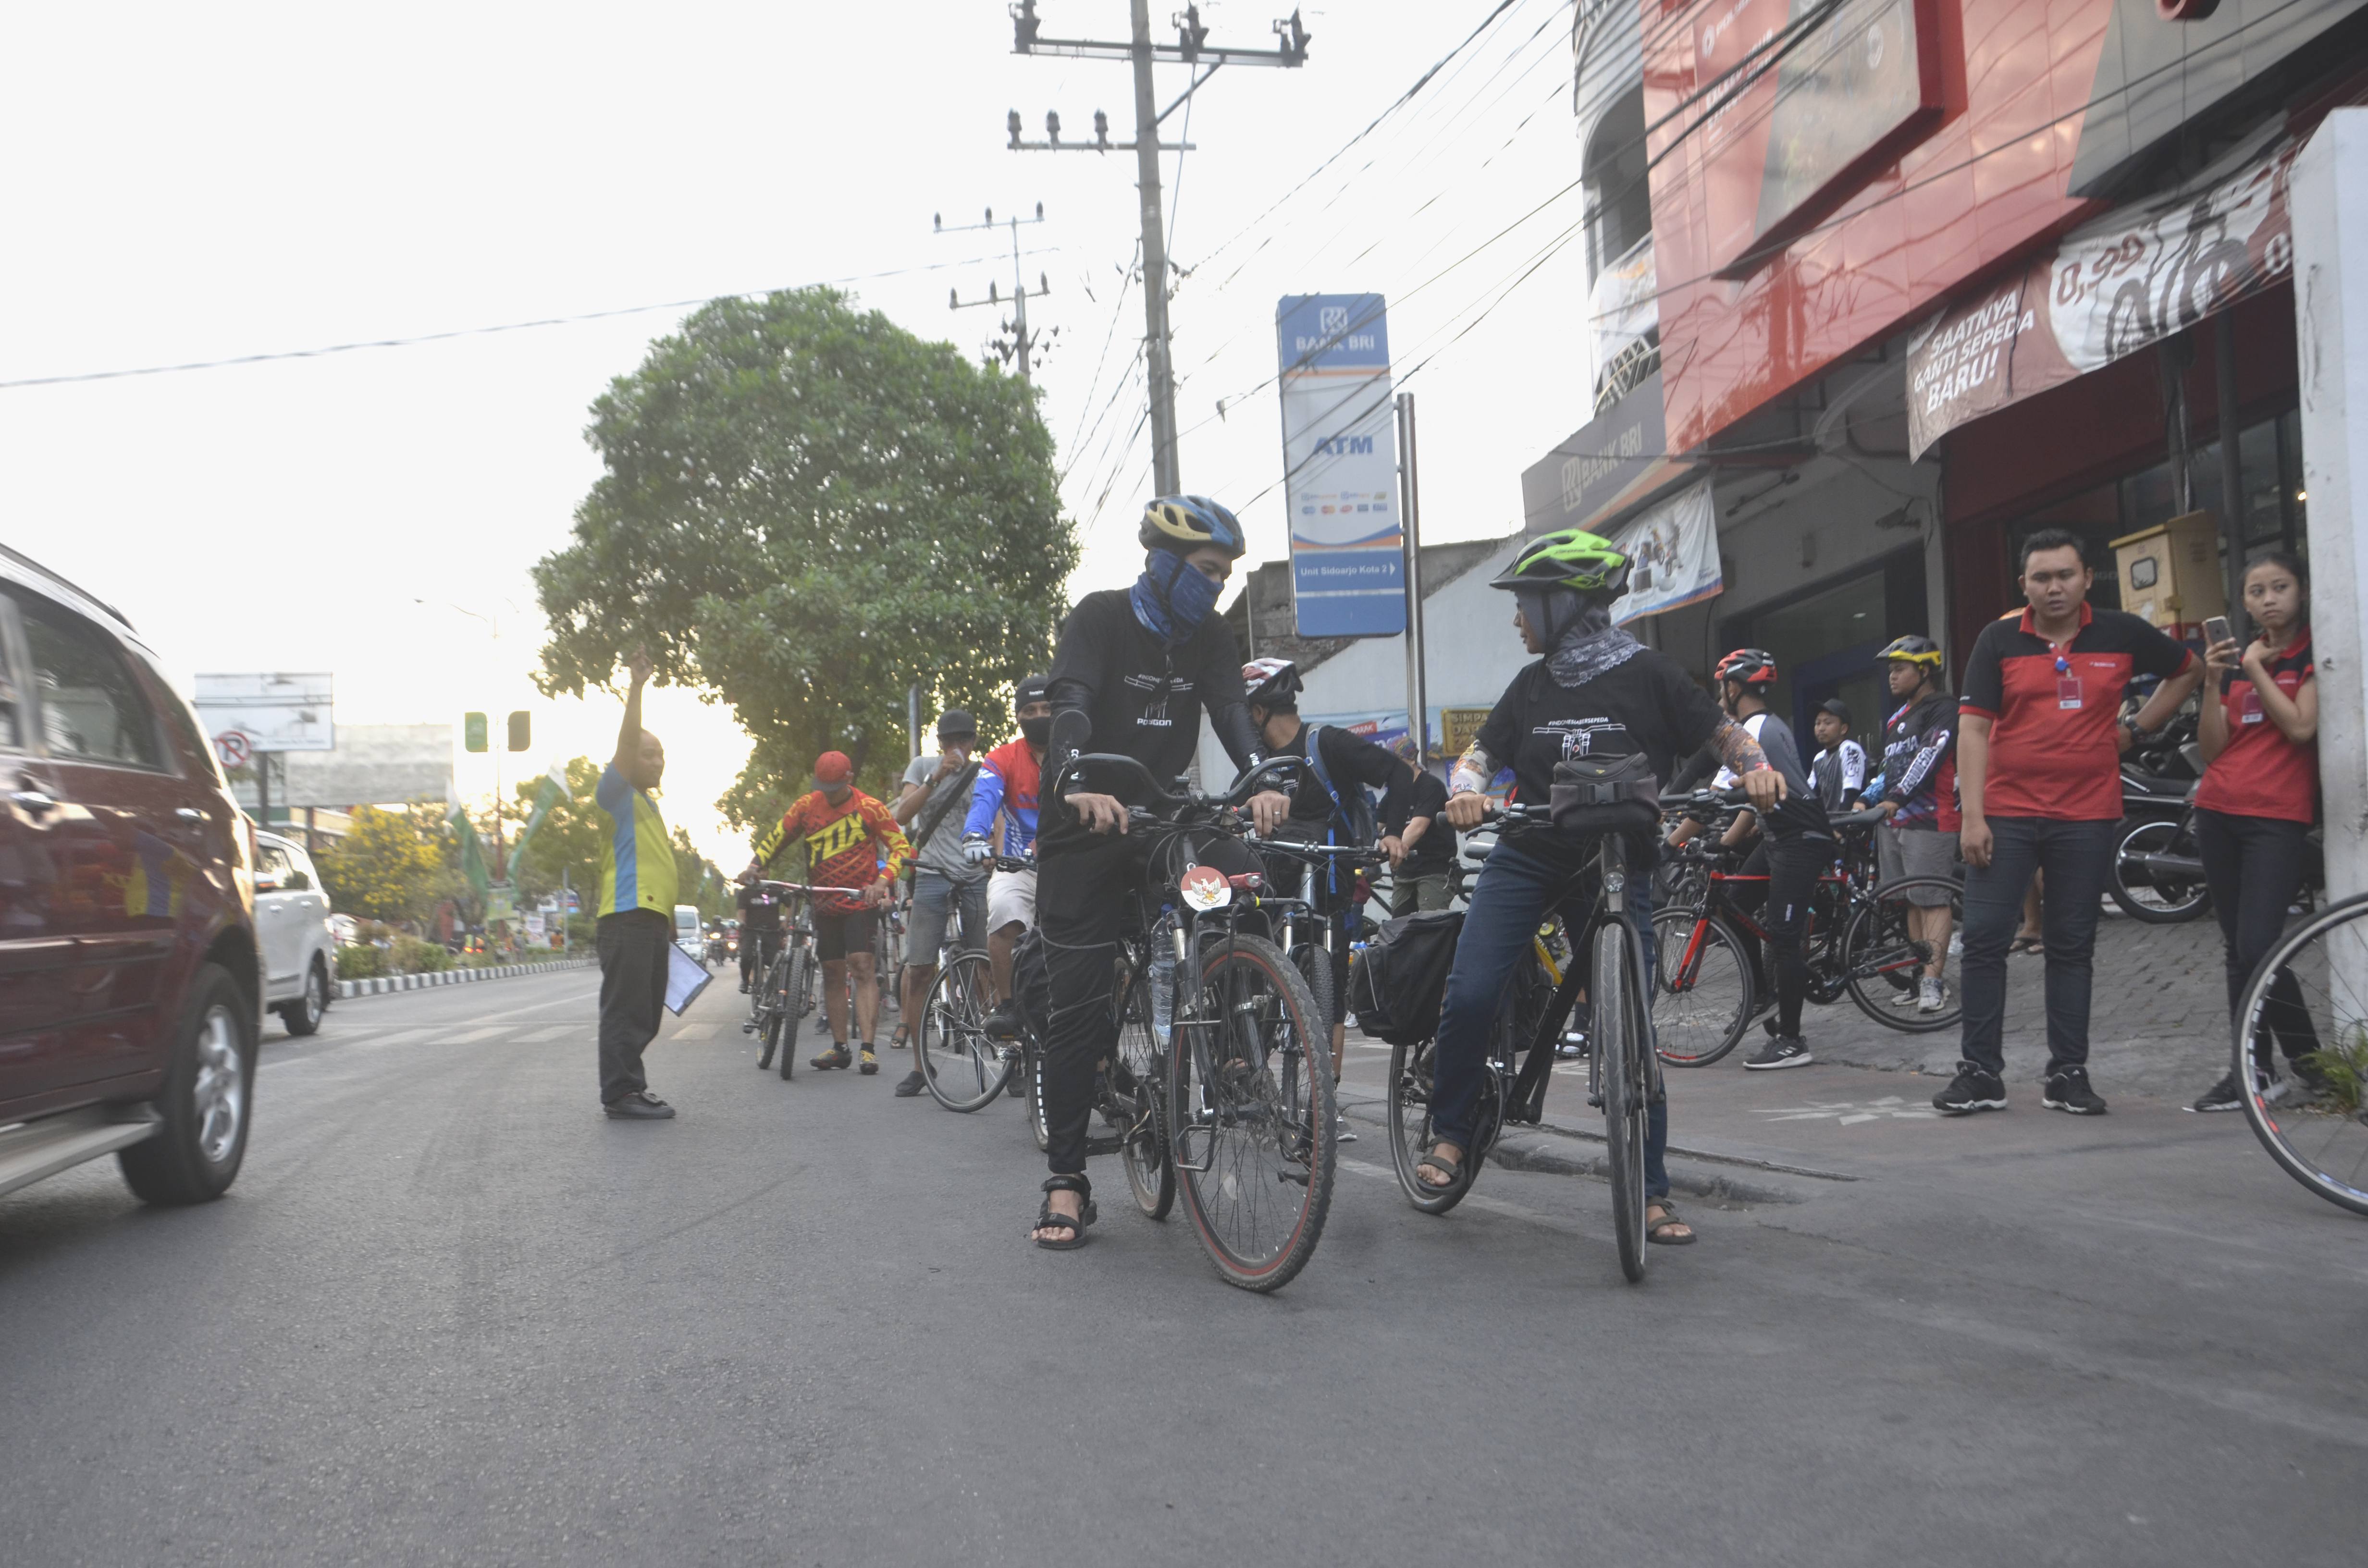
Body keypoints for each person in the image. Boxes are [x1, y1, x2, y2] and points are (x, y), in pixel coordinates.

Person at [1420, 530, 1788, 1246]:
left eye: (1527, 602)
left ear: (1565, 603)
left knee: (1633, 1027)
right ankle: (1452, 1131)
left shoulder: (1652, 674)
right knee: (1469, 993)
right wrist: (1465, 792)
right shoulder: (1531, 686)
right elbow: (1477, 758)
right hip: (1529, 855)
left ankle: (1652, 1193)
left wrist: (1757, 767)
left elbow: (1725, 735)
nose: (1518, 617)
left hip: (1621, 859)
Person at [1027, 496, 1288, 1250]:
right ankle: (1067, 1181)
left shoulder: (1209, 634)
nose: (1217, 585)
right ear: (1168, 564)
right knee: (1077, 1012)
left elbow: (1233, 711)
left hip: (1162, 821)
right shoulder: (1100, 617)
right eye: (1208, 571)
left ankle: (1234, 1050)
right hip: (1084, 824)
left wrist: (1262, 776)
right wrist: (1076, 780)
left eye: (1226, 574)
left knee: (1250, 883)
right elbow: (1071, 702)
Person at [1938, 529, 2203, 1116]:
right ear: (2023, 586)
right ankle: (1980, 1073)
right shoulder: (1998, 640)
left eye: (2063, 575)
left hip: (2085, 815)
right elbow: (1973, 729)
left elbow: (2189, 670)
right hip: (2005, 813)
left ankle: (2068, 1074)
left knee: (2070, 944)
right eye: (2040, 578)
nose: (2052, 587)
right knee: (1983, 939)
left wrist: (2135, 730)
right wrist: (1972, 817)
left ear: (2086, 577)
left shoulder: (2120, 633)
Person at [2186, 552, 2322, 1112]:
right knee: (2237, 952)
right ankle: (2255, 1068)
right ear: (2241, 601)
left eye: (2280, 587)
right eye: (2256, 591)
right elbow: (2213, 748)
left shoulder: (2314, 651)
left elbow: (2299, 726)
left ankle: (2305, 1064)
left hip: (2276, 817)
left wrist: (2257, 666)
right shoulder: (2234, 663)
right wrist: (2215, 680)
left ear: (2301, 590)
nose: (2268, 599)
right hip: (2217, 810)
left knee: (2259, 944)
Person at [1240, 656, 1415, 1079]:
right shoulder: (1255, 762)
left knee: (1330, 985)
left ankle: (1326, 1094)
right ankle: (1242, 1062)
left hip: (1327, 885)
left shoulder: (1326, 743)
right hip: (1271, 884)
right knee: (1245, 959)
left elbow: (1399, 772)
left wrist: (1392, 831)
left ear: (1259, 712)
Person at [1668, 649, 1835, 1069]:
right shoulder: (1759, 726)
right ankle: (1763, 994)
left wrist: (1668, 846)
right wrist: (1723, 842)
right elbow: (1735, 794)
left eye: (1722, 685)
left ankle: (1794, 1041)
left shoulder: (1753, 730)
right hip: (1778, 835)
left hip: (1801, 838)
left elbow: (1714, 798)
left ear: (1733, 687)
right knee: (1733, 907)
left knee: (1783, 937)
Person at [748, 752, 912, 1076]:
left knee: (862, 966)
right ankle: (840, 1048)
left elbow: (902, 848)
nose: (828, 793)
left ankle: (867, 1049)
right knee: (833, 972)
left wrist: (882, 882)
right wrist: (755, 864)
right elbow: (778, 836)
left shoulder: (870, 808)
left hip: (859, 901)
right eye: (823, 786)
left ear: (849, 780)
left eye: (834, 787)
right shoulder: (807, 805)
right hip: (823, 902)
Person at [593, 650, 678, 1120]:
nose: (657, 760)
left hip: (648, 920)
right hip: (625, 917)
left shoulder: (649, 805)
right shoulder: (614, 794)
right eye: (648, 754)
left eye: (661, 753)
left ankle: (628, 1085)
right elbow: (626, 744)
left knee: (646, 1011)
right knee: (626, 1010)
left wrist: (666, 920)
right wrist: (636, 688)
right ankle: (622, 1092)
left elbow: (655, 866)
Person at [889, 710, 989, 1096]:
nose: (957, 747)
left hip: (974, 874)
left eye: (963, 740)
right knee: (920, 970)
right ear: (941, 743)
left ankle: (1006, 1052)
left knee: (988, 963)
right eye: (950, 741)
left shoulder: (983, 772)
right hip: (930, 872)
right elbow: (903, 814)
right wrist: (938, 776)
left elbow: (997, 817)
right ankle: (919, 1065)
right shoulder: (923, 767)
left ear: (973, 741)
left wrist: (994, 853)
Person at [1870, 635, 1961, 1012]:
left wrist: (1897, 798)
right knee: (1911, 900)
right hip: (1893, 821)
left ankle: (1934, 981)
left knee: (1933, 899)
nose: (1893, 677)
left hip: (1929, 819)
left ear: (1925, 671)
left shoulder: (1943, 709)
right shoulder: (1896, 718)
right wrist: (1868, 798)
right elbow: (1887, 770)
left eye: (1900, 669)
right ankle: (1918, 974)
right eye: (1890, 670)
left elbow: (1930, 756)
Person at [964, 674, 1051, 1037]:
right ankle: (1007, 1006)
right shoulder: (1001, 758)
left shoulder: (1081, 750)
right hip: (1020, 867)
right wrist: (974, 834)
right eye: (1030, 710)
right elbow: (985, 798)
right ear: (1018, 717)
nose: (1040, 715)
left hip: (1071, 863)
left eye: (1048, 708)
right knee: (1001, 910)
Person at [1387, 735, 1455, 915]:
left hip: (1433, 868)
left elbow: (1418, 827)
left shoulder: (1431, 786)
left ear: (1410, 760)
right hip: (1405, 870)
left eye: (1394, 762)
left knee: (1430, 929)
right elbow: (1377, 823)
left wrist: (1391, 849)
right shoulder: (1397, 789)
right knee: (1398, 930)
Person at [1809, 698, 1865, 811]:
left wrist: (1840, 825)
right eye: (1818, 723)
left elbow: (1851, 792)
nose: (1821, 728)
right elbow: (1810, 793)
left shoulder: (1850, 749)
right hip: (1828, 824)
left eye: (1828, 723)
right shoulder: (1819, 758)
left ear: (1843, 729)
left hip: (1849, 822)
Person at [736, 881, 783, 994]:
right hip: (750, 931)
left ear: (767, 871)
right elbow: (741, 911)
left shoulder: (776, 889)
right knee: (745, 957)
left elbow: (790, 904)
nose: (761, 874)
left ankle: (777, 986)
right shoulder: (746, 891)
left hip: (772, 931)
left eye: (764, 870)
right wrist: (742, 922)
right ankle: (746, 981)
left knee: (775, 961)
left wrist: (786, 922)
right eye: (758, 871)